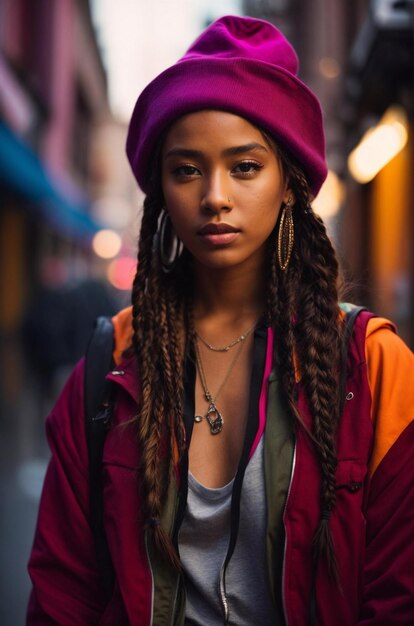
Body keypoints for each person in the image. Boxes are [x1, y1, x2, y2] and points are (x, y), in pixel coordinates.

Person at [26, 15, 414, 626]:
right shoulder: (110, 369)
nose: (214, 195)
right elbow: (62, 592)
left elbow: (400, 595)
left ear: (289, 182)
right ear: (159, 187)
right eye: (186, 169)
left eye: (245, 167)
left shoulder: (375, 369)